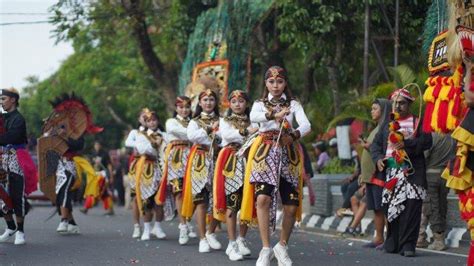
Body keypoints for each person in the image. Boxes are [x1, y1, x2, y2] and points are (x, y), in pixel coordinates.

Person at [241, 66, 311, 266]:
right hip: (264, 152)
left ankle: (281, 246)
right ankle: (265, 249)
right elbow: (253, 117)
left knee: (291, 205)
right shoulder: (259, 104)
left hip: (288, 153)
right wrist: (273, 116)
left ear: (285, 83)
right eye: (271, 82)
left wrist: (293, 136)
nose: (275, 85)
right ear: (266, 84)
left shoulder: (293, 104)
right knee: (262, 198)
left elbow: (306, 125)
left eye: (279, 81)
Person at [371, 88, 432, 257]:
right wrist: (378, 159)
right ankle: (392, 243)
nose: (397, 106)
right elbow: (375, 146)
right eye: (395, 103)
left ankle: (408, 246)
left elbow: (427, 142)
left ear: (410, 104)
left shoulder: (418, 122)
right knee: (391, 208)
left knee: (411, 209)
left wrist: (407, 145)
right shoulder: (386, 125)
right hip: (391, 173)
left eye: (402, 103)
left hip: (412, 172)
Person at [213, 90, 257, 261]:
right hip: (231, 162)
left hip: (250, 161)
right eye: (234, 101)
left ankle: (241, 239)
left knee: (247, 201)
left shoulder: (254, 120)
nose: (237, 104)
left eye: (241, 101)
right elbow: (228, 136)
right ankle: (231, 243)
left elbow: (259, 134)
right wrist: (247, 132)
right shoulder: (225, 120)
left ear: (246, 103)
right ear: (229, 104)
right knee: (232, 204)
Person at [343, 99, 392, 241]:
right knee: (377, 208)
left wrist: (369, 147)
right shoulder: (377, 128)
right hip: (370, 177)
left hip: (379, 175)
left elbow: (384, 152)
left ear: (383, 110)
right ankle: (379, 239)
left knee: (384, 208)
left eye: (375, 108)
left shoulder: (387, 128)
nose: (372, 111)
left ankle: (388, 239)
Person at [182, 88, 222, 253]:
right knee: (201, 201)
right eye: (205, 100)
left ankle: (210, 232)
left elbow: (224, 139)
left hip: (218, 160)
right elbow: (193, 137)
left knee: (218, 198)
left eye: (211, 99)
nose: (208, 103)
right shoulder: (194, 121)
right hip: (200, 160)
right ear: (200, 103)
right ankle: (202, 238)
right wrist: (209, 129)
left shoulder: (223, 120)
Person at [0, 88, 37, 245]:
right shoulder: (3, 118)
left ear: (13, 100)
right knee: (2, 196)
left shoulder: (19, 119)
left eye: (3, 99)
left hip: (17, 161)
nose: (1, 102)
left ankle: (20, 231)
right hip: (3, 159)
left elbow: (11, 137)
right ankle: (10, 227)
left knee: (17, 196)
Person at [159, 96, 196, 245]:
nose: (184, 110)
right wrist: (193, 132)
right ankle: (182, 226)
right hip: (176, 158)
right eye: (181, 107)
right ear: (176, 108)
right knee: (179, 191)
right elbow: (182, 132)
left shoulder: (194, 121)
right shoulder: (171, 122)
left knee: (194, 191)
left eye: (187, 107)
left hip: (193, 156)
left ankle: (187, 219)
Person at [126, 109, 167, 241]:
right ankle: (144, 228)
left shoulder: (164, 134)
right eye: (148, 120)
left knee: (159, 201)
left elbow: (166, 151)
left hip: (159, 168)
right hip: (144, 169)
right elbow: (144, 149)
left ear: (158, 121)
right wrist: (155, 145)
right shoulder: (140, 134)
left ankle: (158, 226)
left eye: (154, 120)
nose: (152, 122)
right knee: (145, 200)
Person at [416, 133, 455, 250]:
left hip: (430, 175)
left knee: (431, 206)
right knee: (442, 206)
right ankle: (434, 237)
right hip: (445, 176)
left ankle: (435, 239)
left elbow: (424, 156)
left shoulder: (432, 137)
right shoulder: (453, 138)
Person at [125, 109, 147, 239]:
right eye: (143, 116)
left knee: (150, 197)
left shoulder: (155, 132)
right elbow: (127, 143)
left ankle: (151, 226)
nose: (146, 118)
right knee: (135, 196)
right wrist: (142, 144)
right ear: (139, 119)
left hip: (151, 165)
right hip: (137, 164)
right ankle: (137, 226)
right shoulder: (135, 132)